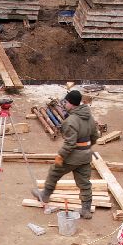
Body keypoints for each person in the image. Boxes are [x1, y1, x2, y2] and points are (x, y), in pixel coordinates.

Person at [34, 88, 98, 220]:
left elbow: (70, 143)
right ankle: (86, 210)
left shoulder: (71, 121)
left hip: (72, 157)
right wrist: (87, 148)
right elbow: (95, 136)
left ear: (71, 103)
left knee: (54, 172)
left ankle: (45, 195)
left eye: (66, 102)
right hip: (86, 155)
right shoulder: (89, 117)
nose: (64, 104)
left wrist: (61, 155)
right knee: (85, 183)